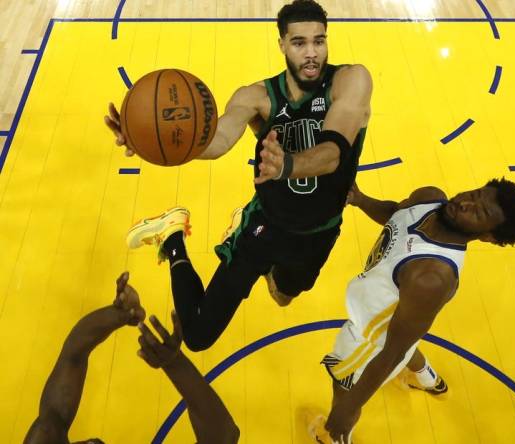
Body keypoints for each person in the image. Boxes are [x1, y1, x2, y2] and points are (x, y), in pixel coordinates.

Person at [104, 0, 372, 352]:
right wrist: (152, 140)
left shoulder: (350, 81)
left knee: (282, 296)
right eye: (299, 43)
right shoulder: (257, 97)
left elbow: (332, 153)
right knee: (198, 335)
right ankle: (173, 239)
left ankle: (270, 269)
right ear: (281, 45)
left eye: (319, 41)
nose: (311, 53)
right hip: (265, 226)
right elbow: (218, 140)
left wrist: (286, 165)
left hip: (320, 230)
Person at [312, 179, 515, 443]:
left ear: (488, 236)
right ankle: (427, 379)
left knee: (344, 383)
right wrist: (361, 200)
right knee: (407, 339)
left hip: (371, 339)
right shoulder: (430, 198)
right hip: (394, 320)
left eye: (478, 213)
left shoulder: (430, 276)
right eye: (474, 194)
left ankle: (337, 436)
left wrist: (348, 408)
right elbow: (396, 213)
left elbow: (393, 351)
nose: (464, 203)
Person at [23, 272, 239, 444]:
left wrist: (120, 314)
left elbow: (73, 355)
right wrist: (175, 364)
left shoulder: (46, 434)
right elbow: (223, 436)